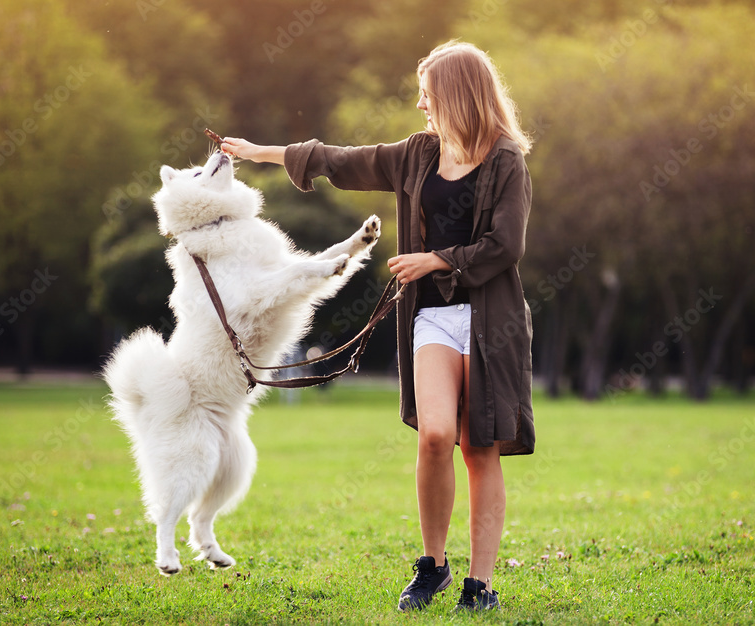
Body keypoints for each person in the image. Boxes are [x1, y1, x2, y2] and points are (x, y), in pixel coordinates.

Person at [220, 40, 535, 612]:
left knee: (480, 448)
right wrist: (260, 151)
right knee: (437, 435)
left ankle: (480, 585)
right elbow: (341, 159)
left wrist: (436, 259)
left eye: (427, 94)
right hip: (433, 317)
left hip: (491, 320)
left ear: (457, 95)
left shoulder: (506, 160)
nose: (421, 106)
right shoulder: (416, 155)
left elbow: (506, 245)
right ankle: (434, 567)